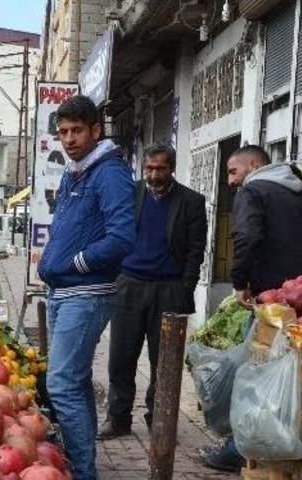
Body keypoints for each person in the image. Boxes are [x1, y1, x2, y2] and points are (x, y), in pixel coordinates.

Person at [199, 145, 302, 472]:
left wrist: (240, 282)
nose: (230, 181)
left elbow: (245, 236)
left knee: (256, 373)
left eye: (233, 171)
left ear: (254, 165)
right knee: (292, 375)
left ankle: (240, 448)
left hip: (270, 305)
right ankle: (291, 444)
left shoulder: (253, 191)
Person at [36, 95, 136, 480]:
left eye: (77, 130)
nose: (69, 138)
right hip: (63, 291)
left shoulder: (109, 173)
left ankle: (82, 472)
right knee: (73, 381)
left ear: (96, 130)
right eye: (63, 132)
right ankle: (84, 465)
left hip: (87, 293)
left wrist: (76, 262)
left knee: (60, 384)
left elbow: (123, 238)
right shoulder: (75, 170)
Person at [98, 144, 207, 439]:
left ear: (171, 167)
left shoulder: (192, 201)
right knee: (121, 357)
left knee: (164, 361)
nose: (154, 174)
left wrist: (185, 288)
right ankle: (118, 418)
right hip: (129, 287)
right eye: (149, 168)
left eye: (160, 168)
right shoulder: (130, 195)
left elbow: (196, 251)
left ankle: (158, 420)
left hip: (169, 290)